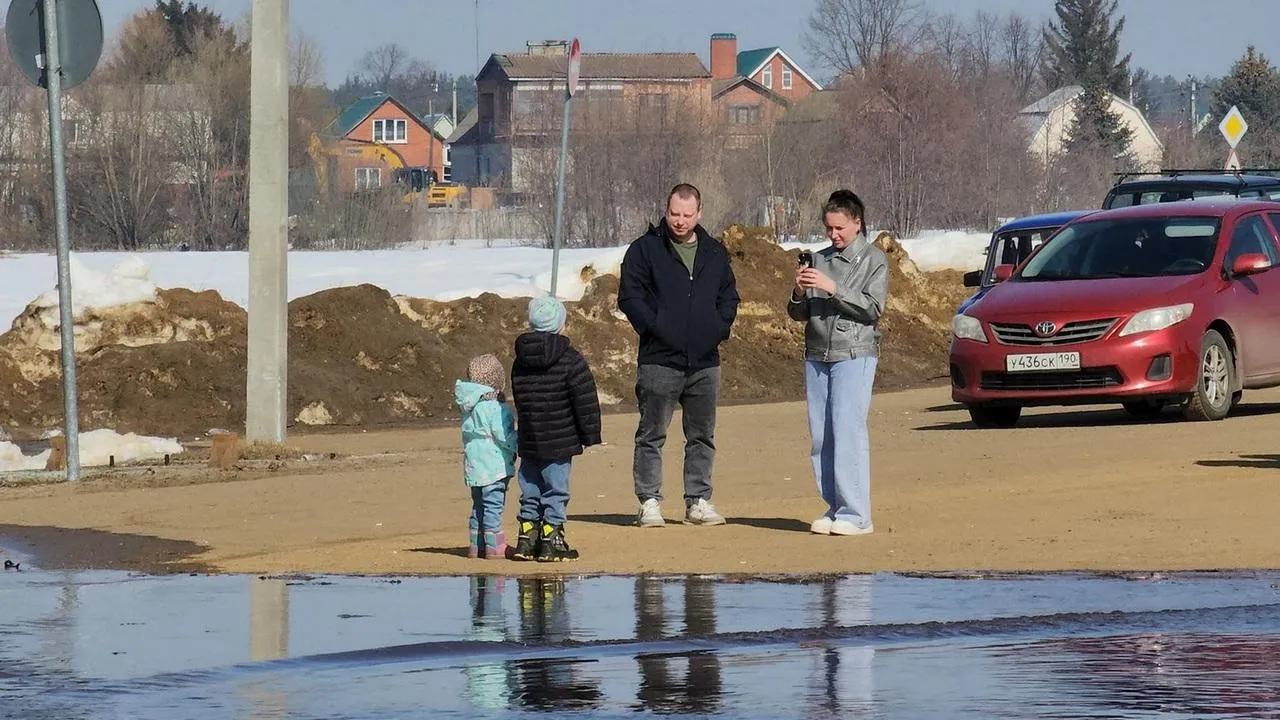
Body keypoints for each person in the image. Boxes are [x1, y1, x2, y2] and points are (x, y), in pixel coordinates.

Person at [617, 183, 740, 528]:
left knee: (702, 435)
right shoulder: (645, 250)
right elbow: (630, 297)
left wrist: (717, 327)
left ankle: (698, 501)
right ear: (666, 210)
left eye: (687, 215)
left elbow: (729, 297)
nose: (680, 221)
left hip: (704, 361)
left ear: (699, 213)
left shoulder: (715, 252)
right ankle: (649, 501)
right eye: (675, 214)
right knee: (651, 434)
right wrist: (656, 327)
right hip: (659, 360)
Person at [787, 190, 888, 536]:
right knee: (822, 436)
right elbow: (798, 313)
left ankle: (857, 514)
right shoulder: (818, 258)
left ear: (857, 224)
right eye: (829, 228)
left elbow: (873, 308)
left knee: (848, 431)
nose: (833, 235)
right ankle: (834, 507)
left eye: (840, 228)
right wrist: (800, 292)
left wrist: (833, 288)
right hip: (817, 354)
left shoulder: (874, 260)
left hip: (855, 352)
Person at [509, 295, 603, 562]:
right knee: (556, 489)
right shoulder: (571, 359)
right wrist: (590, 434)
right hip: (561, 437)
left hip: (530, 436)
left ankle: (527, 537)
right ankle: (552, 538)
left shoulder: (520, 360)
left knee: (530, 486)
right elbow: (584, 399)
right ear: (561, 325)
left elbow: (520, 395)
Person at [454, 353, 518, 559]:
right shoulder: (496, 408)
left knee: (478, 505)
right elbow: (503, 435)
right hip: (494, 466)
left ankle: (476, 544)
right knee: (493, 505)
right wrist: (518, 443)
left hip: (474, 465)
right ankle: (494, 546)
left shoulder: (469, 407)